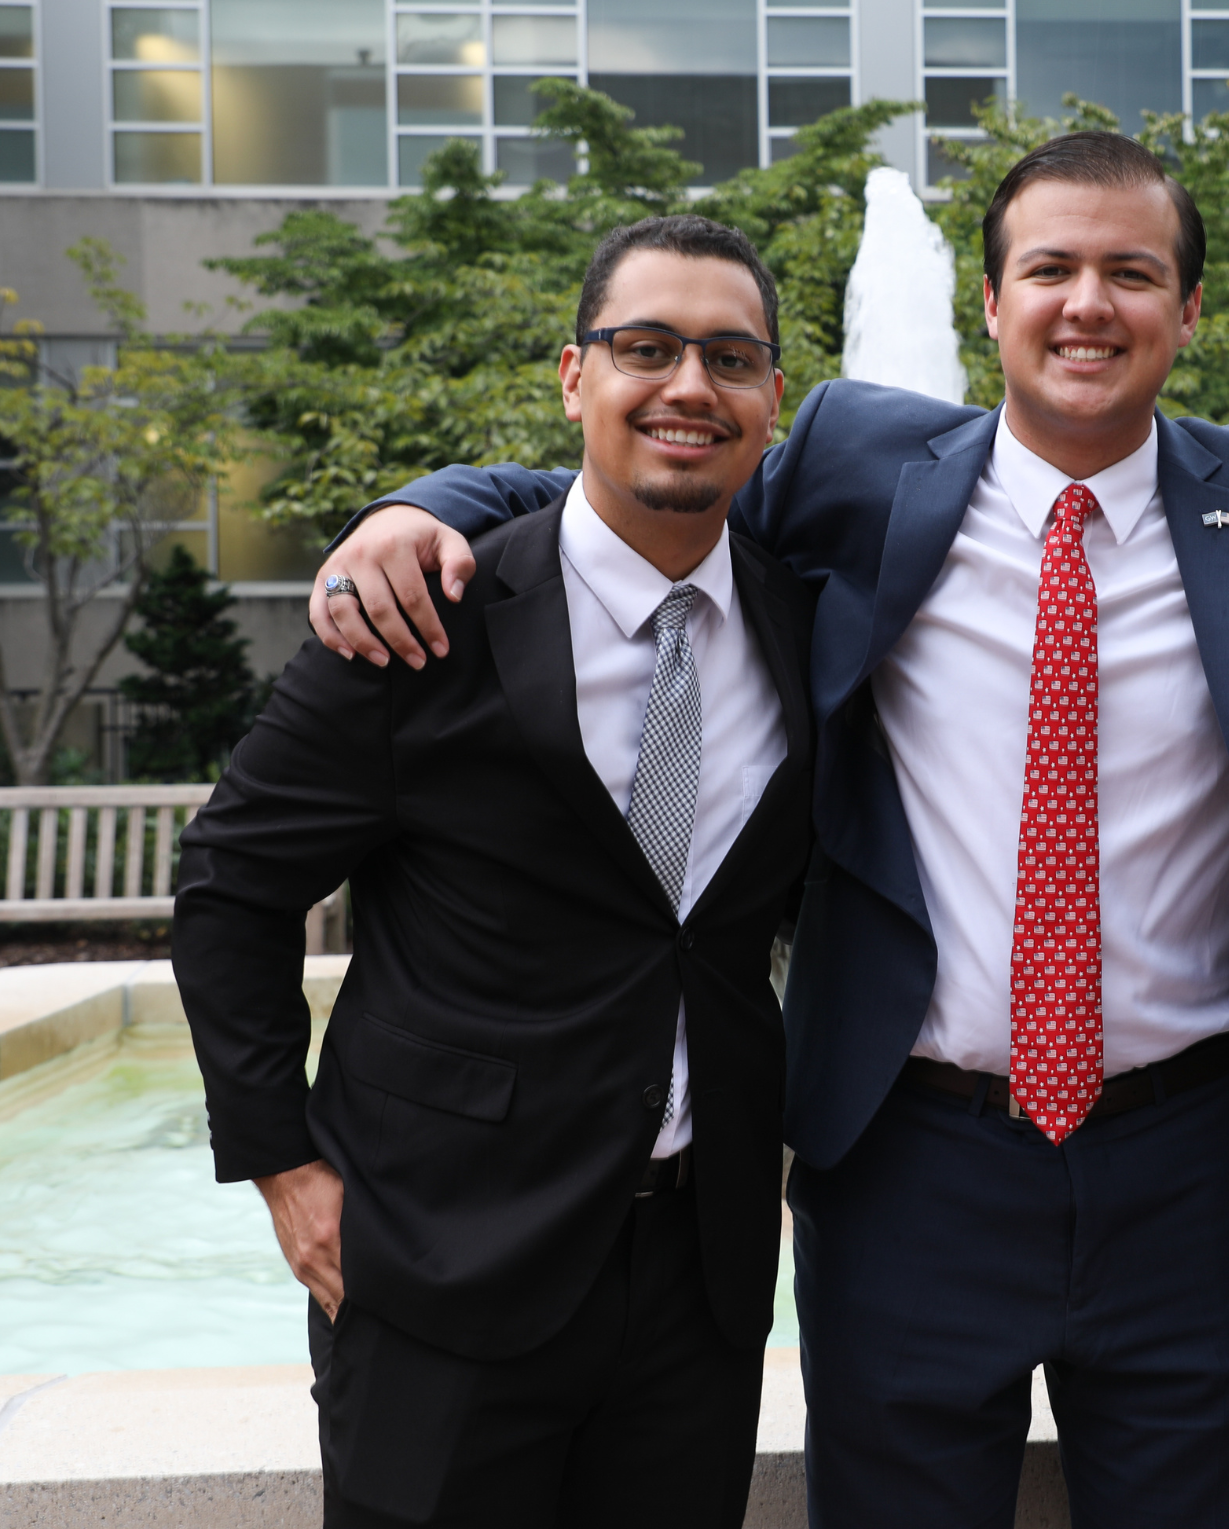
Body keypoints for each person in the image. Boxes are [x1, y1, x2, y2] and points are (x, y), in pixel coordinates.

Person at [309, 133, 1229, 1529]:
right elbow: (639, 485)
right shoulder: (860, 467)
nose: (1087, 304)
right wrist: (415, 505)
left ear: (1188, 311)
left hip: (1197, 1170)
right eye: (1049, 267)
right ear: (990, 303)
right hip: (914, 1162)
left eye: (1132, 271)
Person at [172, 216, 816, 1527]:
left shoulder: (809, 621)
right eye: (647, 348)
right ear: (575, 377)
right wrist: (285, 1171)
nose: (689, 387)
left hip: (699, 1278)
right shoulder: (424, 617)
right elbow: (231, 887)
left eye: (729, 357)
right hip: (437, 1267)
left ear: (772, 400)